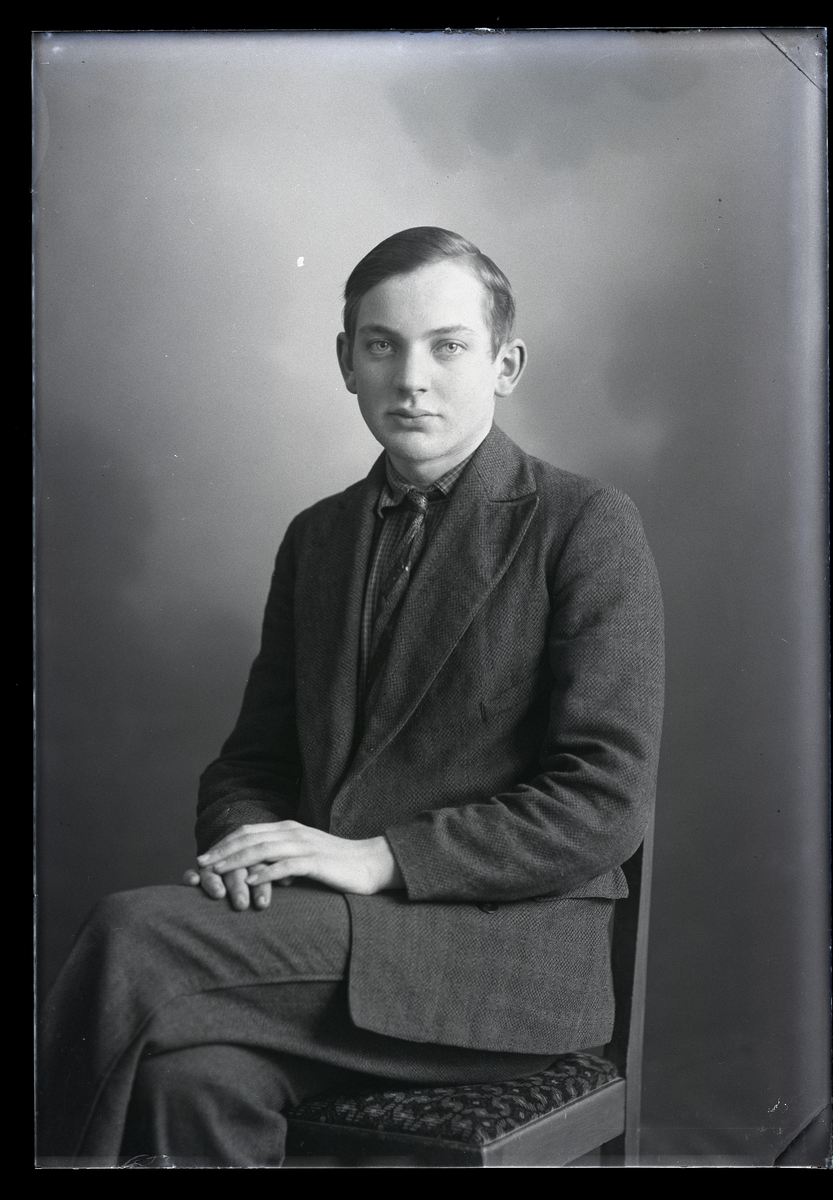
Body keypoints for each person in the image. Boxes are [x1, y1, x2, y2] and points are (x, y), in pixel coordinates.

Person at [37, 227, 665, 1168]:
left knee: (135, 934)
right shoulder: (317, 539)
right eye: (382, 345)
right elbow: (250, 765)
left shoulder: (585, 525)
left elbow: (604, 802)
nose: (411, 378)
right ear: (345, 362)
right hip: (320, 944)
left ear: (504, 365)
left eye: (447, 346)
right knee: (190, 1083)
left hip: (497, 966)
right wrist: (252, 852)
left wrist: (377, 858)